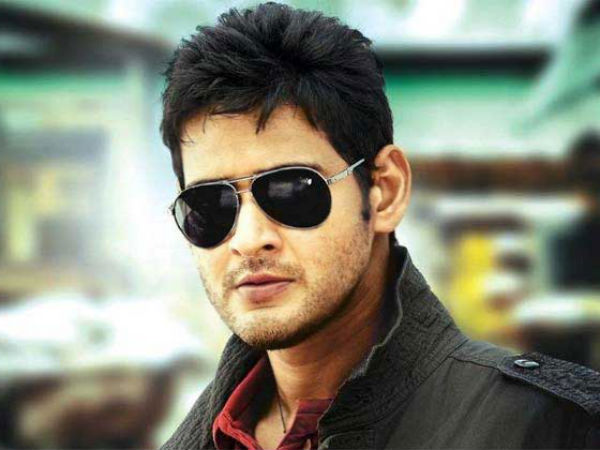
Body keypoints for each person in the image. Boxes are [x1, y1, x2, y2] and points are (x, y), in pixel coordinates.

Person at [159, 3, 599, 449]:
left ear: (384, 191)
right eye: (211, 205)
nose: (249, 239)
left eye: (292, 191)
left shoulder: (550, 430)